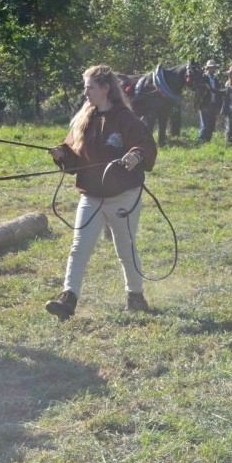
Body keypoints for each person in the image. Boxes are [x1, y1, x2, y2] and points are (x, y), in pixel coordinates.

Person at [46, 65, 158, 319]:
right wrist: (62, 154)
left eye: (90, 87)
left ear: (105, 88)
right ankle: (68, 298)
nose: (86, 92)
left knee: (125, 248)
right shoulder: (83, 119)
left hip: (123, 196)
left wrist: (135, 156)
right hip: (91, 195)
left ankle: (136, 296)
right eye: (85, 87)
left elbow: (147, 146)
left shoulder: (125, 118)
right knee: (79, 247)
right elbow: (74, 160)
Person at [196, 59, 222, 142]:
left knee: (211, 124)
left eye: (213, 67)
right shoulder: (203, 78)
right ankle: (200, 142)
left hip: (214, 104)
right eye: (210, 67)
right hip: (204, 104)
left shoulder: (216, 79)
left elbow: (218, 92)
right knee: (204, 125)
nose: (212, 69)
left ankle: (207, 141)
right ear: (207, 68)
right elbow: (199, 92)